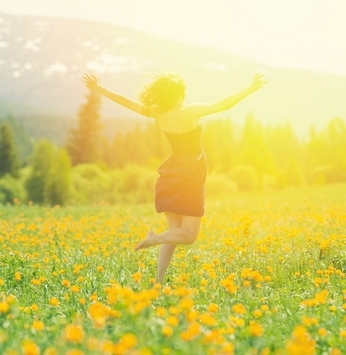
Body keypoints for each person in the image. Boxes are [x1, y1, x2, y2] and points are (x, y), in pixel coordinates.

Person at [82, 71, 267, 282]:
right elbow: (224, 104)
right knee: (188, 236)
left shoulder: (159, 113)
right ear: (180, 94)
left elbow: (126, 102)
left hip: (172, 172)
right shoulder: (189, 112)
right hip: (191, 172)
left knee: (175, 232)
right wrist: (250, 89)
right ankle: (155, 238)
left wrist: (98, 89)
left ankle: (159, 281)